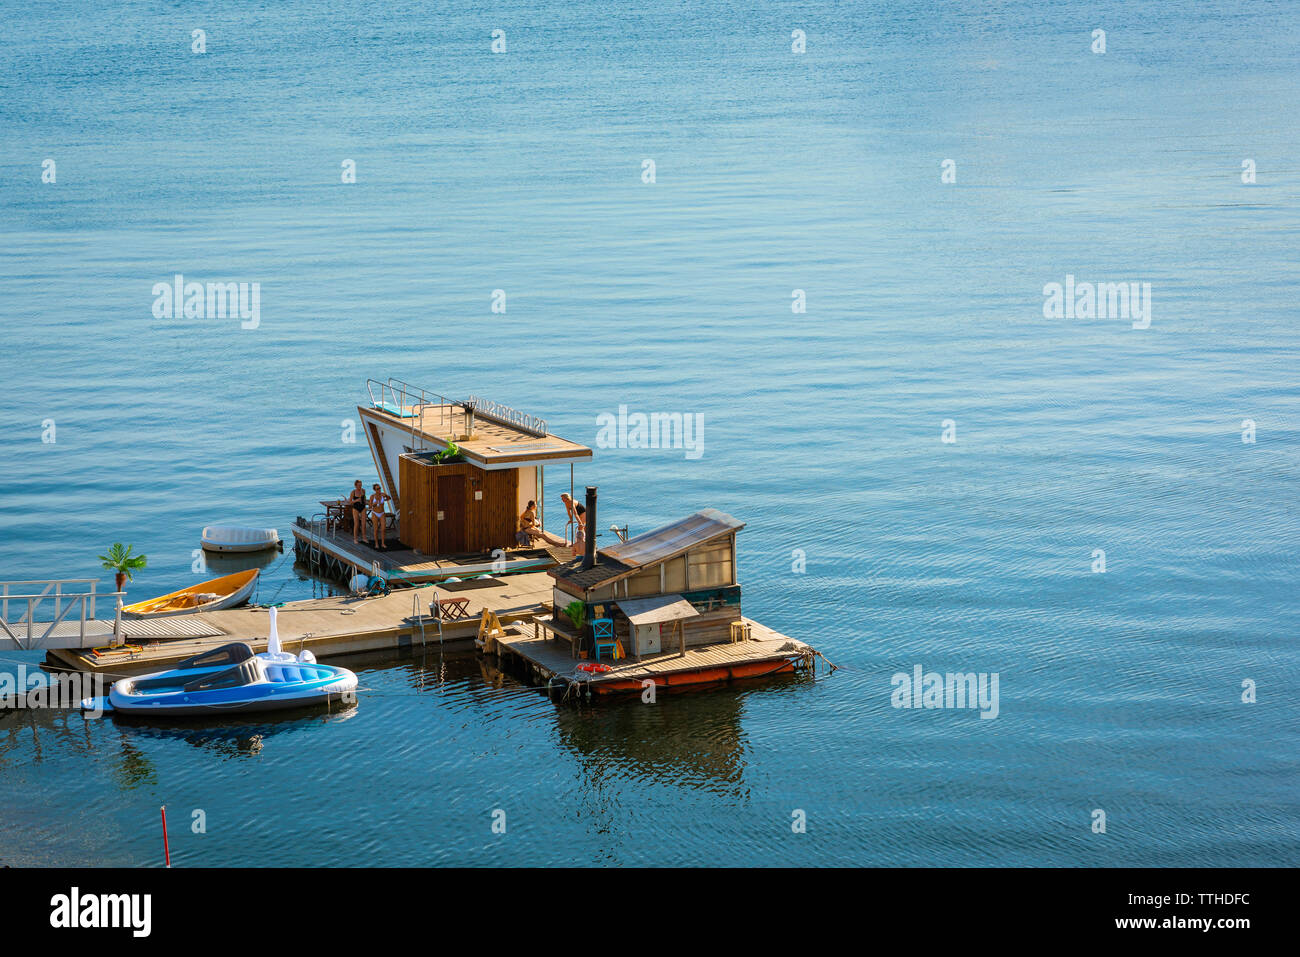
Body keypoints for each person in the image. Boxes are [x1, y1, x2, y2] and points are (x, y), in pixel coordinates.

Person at [368, 483, 391, 549]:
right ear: (375, 490)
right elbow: (369, 506)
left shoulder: (383, 495)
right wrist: (373, 504)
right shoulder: (372, 496)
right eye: (377, 489)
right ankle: (376, 543)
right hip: (375, 513)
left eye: (380, 488)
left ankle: (383, 543)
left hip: (382, 513)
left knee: (383, 529)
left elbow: (389, 498)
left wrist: (386, 496)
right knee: (376, 529)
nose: (379, 490)